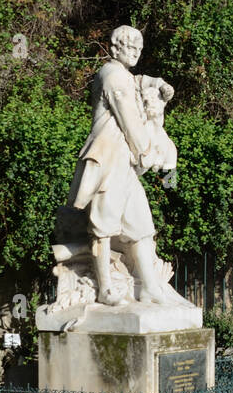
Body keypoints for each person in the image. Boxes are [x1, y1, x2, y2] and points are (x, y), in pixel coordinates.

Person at [67, 25, 177, 305]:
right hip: (109, 159)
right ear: (115, 49)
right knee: (103, 226)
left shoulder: (124, 76)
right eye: (131, 48)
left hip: (124, 164)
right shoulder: (112, 76)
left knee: (141, 226)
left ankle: (150, 286)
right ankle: (104, 289)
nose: (136, 54)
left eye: (140, 49)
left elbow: (139, 81)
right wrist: (147, 153)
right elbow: (129, 121)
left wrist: (158, 83)